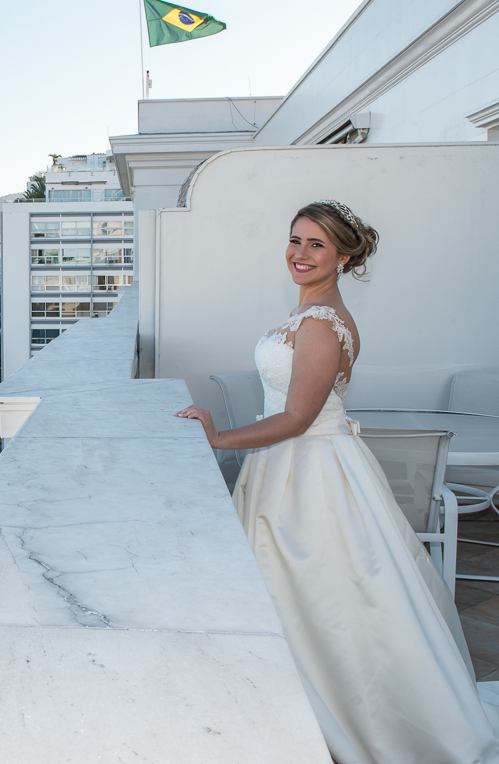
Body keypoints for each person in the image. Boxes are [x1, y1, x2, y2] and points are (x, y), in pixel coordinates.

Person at [175, 200, 499, 764]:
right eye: (295, 240)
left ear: (344, 255)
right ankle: (281, 708)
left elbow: (298, 418)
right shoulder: (311, 316)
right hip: (290, 466)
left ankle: (329, 716)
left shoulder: (323, 325)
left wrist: (217, 438)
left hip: (310, 472)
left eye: (316, 244)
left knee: (326, 599)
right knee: (309, 597)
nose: (300, 254)